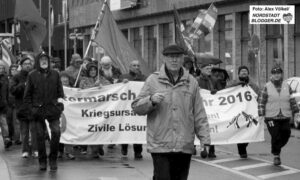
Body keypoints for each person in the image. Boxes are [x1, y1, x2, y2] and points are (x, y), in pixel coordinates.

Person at [132, 44, 210, 180]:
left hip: (184, 143)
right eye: (171, 57)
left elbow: (199, 113)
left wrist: (205, 139)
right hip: (160, 143)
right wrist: (151, 100)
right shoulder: (153, 80)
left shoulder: (191, 82)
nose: (174, 60)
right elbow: (136, 107)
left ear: (182, 60)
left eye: (177, 57)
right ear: (164, 59)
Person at [23, 52, 64, 171]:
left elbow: (60, 92)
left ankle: (53, 159)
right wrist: (32, 109)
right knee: (40, 136)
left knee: (56, 132)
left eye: (46, 59)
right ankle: (42, 161)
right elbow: (27, 96)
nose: (44, 61)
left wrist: (60, 106)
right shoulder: (32, 75)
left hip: (53, 109)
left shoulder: (56, 74)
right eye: (42, 59)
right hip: (38, 110)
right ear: (38, 61)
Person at [258, 66, 299, 166]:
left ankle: (276, 147)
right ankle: (276, 155)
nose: (276, 75)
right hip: (271, 117)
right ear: (271, 75)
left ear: (281, 74)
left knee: (286, 133)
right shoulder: (267, 86)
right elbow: (261, 101)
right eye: (274, 73)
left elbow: (292, 99)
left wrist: (296, 111)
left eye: (278, 73)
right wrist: (261, 113)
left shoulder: (287, 86)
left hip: (285, 116)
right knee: (275, 136)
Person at [227, 66, 260, 158]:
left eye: (245, 71)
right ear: (238, 74)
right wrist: (238, 84)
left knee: (250, 130)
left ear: (248, 73)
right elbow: (227, 90)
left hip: (250, 112)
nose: (244, 72)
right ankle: (242, 151)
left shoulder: (253, 85)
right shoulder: (234, 83)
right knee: (240, 130)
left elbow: (258, 95)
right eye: (242, 71)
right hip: (238, 111)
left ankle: (243, 146)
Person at [79, 62, 110, 158]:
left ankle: (99, 145)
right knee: (91, 128)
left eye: (94, 70)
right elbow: (82, 90)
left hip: (100, 108)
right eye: (91, 70)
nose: (93, 72)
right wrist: (94, 86)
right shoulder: (83, 80)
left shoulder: (101, 79)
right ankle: (95, 149)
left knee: (100, 127)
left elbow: (111, 86)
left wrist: (102, 86)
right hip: (89, 109)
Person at [11, 56, 38, 158]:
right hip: (22, 108)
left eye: (29, 63)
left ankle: (35, 150)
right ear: (21, 66)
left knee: (34, 130)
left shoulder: (35, 75)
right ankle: (25, 150)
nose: (28, 65)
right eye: (25, 64)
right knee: (25, 131)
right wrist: (23, 85)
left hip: (33, 107)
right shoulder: (16, 77)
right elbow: (13, 90)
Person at [119, 60, 146, 159]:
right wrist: (122, 83)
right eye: (134, 65)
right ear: (130, 67)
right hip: (126, 107)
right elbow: (117, 89)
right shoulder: (123, 77)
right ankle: (124, 147)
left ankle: (138, 151)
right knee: (126, 127)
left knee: (137, 128)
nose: (136, 67)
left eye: (138, 65)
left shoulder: (144, 78)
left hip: (138, 107)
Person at [196, 62, 219, 158]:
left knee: (212, 127)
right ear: (201, 70)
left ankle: (212, 150)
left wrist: (215, 91)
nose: (209, 71)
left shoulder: (214, 80)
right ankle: (203, 148)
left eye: (210, 69)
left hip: (212, 107)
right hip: (201, 106)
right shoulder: (196, 80)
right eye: (207, 69)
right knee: (202, 126)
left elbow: (221, 91)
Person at [7, 64, 21, 145]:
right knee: (9, 121)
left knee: (16, 121)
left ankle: (17, 138)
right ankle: (10, 136)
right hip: (8, 103)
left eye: (15, 69)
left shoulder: (19, 79)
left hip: (16, 103)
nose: (14, 71)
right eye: (12, 69)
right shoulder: (7, 79)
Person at [0, 61, 12, 149]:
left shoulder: (5, 78)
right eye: (0, 68)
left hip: (3, 104)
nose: (1, 69)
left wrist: (7, 101)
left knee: (4, 122)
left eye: (2, 68)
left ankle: (6, 139)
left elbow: (7, 91)